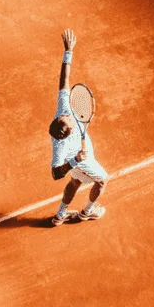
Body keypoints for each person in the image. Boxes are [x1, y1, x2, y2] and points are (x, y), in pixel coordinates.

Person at [49, 29, 109, 226]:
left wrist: (68, 51)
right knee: (102, 180)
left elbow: (63, 80)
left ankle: (60, 215)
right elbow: (56, 174)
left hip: (78, 160)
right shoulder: (61, 146)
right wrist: (75, 161)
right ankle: (87, 212)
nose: (70, 115)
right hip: (81, 161)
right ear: (68, 133)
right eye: (69, 120)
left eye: (66, 115)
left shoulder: (62, 109)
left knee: (75, 182)